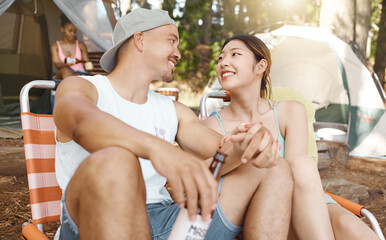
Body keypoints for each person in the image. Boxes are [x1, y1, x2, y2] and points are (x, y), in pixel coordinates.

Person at [53, 8, 293, 240]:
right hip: (94, 218)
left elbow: (222, 150)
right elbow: (81, 122)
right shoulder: (82, 88)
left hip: (166, 222)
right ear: (140, 40)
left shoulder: (172, 110)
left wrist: (250, 143)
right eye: (171, 41)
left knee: (274, 169)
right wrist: (158, 148)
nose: (178, 53)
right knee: (117, 160)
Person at [202, 34, 379, 240]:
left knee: (350, 227)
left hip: (306, 202)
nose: (224, 62)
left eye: (235, 54)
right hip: (259, 212)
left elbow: (300, 175)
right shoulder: (212, 125)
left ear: (260, 67)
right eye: (220, 58)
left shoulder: (290, 110)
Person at [50, 15, 92, 80]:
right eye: (70, 31)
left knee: (78, 76)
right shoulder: (55, 46)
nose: (73, 34)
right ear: (62, 29)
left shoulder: (81, 45)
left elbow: (88, 64)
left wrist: (85, 64)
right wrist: (68, 64)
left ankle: (71, 87)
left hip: (80, 73)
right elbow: (58, 65)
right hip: (63, 74)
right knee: (65, 70)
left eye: (75, 32)